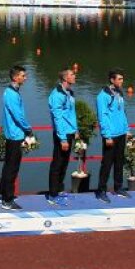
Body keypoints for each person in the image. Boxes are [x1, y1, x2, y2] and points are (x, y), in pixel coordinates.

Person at [0, 65, 34, 210]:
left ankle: (5, 195)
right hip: (15, 135)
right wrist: (28, 129)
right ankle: (7, 199)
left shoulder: (11, 92)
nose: (25, 78)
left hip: (13, 134)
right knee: (12, 168)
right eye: (23, 76)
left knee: (9, 166)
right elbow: (18, 115)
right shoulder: (12, 94)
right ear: (15, 77)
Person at [96, 69, 130, 202]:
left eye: (122, 79)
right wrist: (107, 135)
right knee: (107, 163)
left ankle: (118, 188)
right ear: (112, 80)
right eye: (119, 79)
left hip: (121, 133)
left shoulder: (119, 93)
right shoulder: (103, 96)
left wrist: (127, 129)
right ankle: (101, 191)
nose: (122, 81)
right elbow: (102, 116)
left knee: (119, 162)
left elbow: (122, 112)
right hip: (110, 135)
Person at [46, 67, 78, 205]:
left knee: (65, 163)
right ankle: (52, 194)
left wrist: (75, 130)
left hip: (70, 132)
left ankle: (59, 190)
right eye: (72, 74)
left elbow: (71, 113)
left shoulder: (70, 92)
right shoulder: (57, 95)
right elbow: (58, 117)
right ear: (65, 78)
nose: (75, 76)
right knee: (57, 163)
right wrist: (63, 138)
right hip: (62, 134)